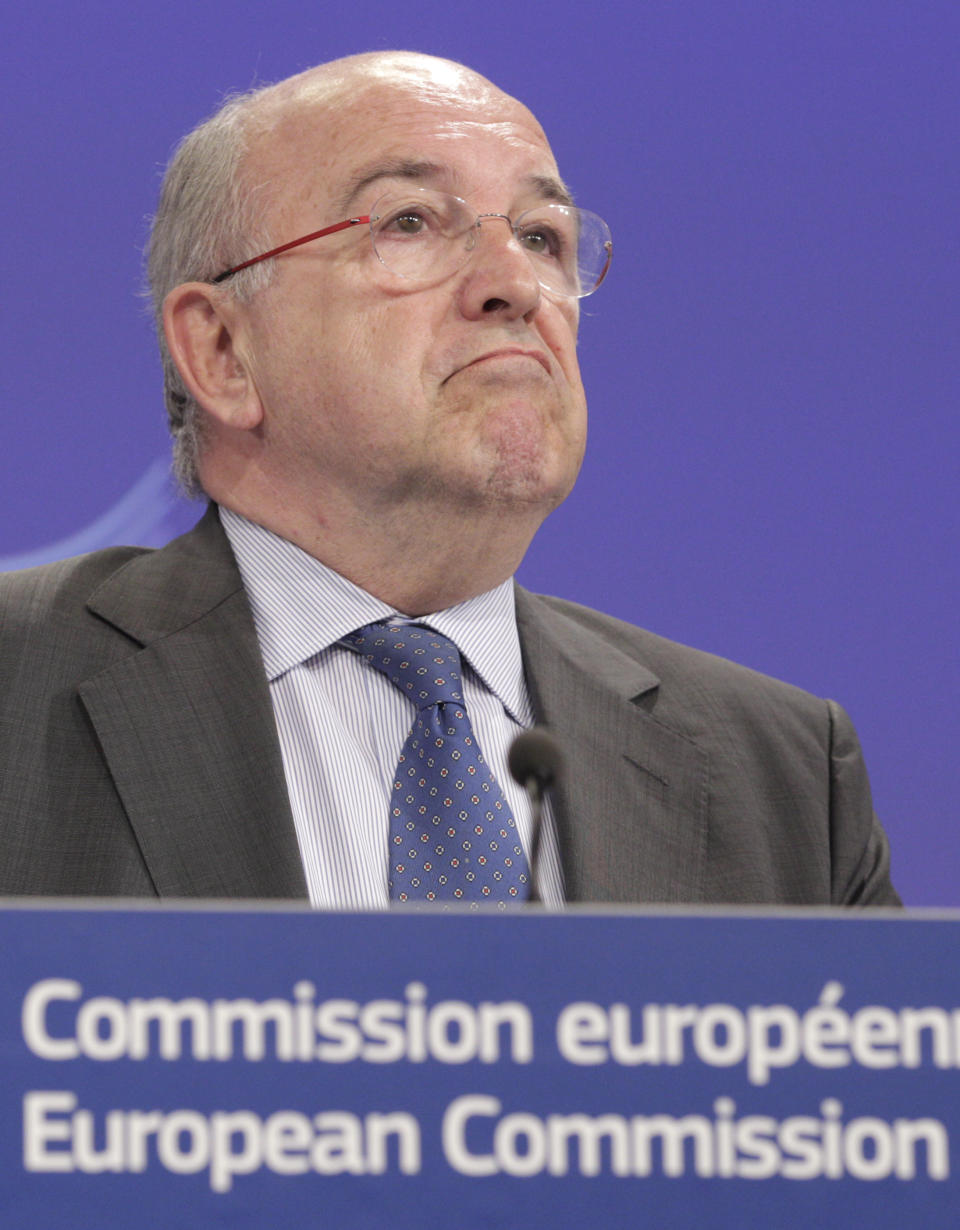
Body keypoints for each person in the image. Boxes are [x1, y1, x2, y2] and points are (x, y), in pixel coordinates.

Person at [0, 51, 898, 907]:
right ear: (223, 351)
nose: (517, 285)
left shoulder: (783, 778)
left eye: (544, 237)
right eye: (409, 223)